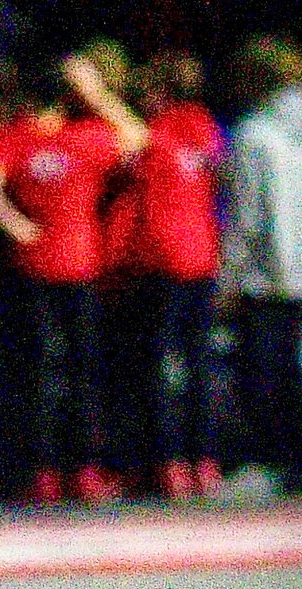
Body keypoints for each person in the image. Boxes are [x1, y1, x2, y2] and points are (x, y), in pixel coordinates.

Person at [0, 51, 147, 504]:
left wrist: (15, 225)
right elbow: (137, 137)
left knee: (45, 372)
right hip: (75, 268)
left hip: (42, 269)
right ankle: (78, 471)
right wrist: (97, 94)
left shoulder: (19, 137)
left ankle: (47, 472)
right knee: (78, 372)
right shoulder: (84, 137)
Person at [220, 35, 302, 495]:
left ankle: (269, 461)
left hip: (264, 275)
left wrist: (228, 274)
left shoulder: (253, 135)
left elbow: (247, 214)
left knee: (264, 371)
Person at [127, 50, 225, 499]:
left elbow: (136, 140)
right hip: (202, 259)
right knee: (200, 363)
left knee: (164, 367)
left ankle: (170, 464)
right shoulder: (205, 128)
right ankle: (203, 462)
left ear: (159, 92)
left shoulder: (163, 130)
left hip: (165, 263)